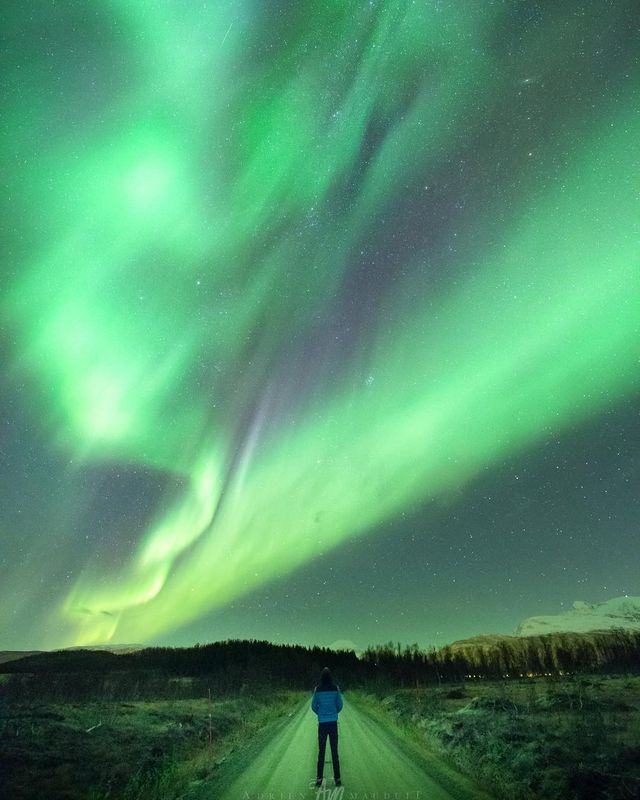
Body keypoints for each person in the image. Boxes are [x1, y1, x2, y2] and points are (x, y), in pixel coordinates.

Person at [311, 666, 343, 786]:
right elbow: (340, 705)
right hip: (333, 723)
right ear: (330, 677)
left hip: (322, 724)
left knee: (321, 751)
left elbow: (313, 706)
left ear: (321, 677)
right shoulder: (336, 688)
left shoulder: (317, 690)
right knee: (334, 750)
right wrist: (334, 712)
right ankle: (337, 778)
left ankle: (319, 779)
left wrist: (320, 713)